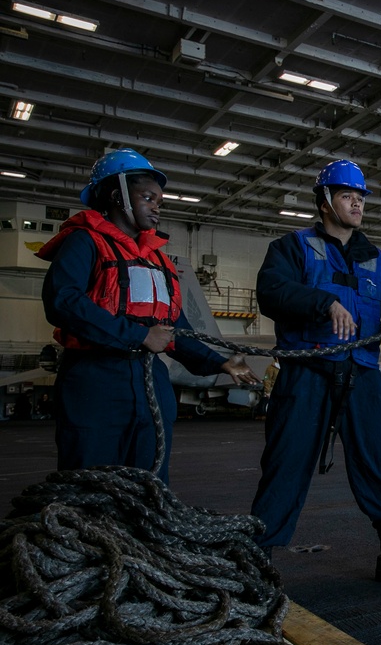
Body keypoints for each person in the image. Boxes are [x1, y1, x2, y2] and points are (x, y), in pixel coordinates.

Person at [250, 159, 381, 586]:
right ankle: (257, 560)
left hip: (361, 374)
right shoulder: (291, 248)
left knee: (376, 462)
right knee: (286, 463)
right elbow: (272, 291)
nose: (357, 203)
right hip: (307, 372)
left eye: (361, 197)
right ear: (325, 202)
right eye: (348, 196)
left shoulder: (376, 260)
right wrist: (322, 303)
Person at [35, 149, 257, 484]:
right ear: (117, 195)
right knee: (88, 483)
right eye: (148, 198)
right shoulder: (85, 243)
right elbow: (62, 302)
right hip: (95, 383)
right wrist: (139, 336)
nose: (156, 208)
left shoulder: (158, 263)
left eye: (159, 201)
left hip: (151, 380)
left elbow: (176, 329)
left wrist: (220, 363)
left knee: (150, 483)